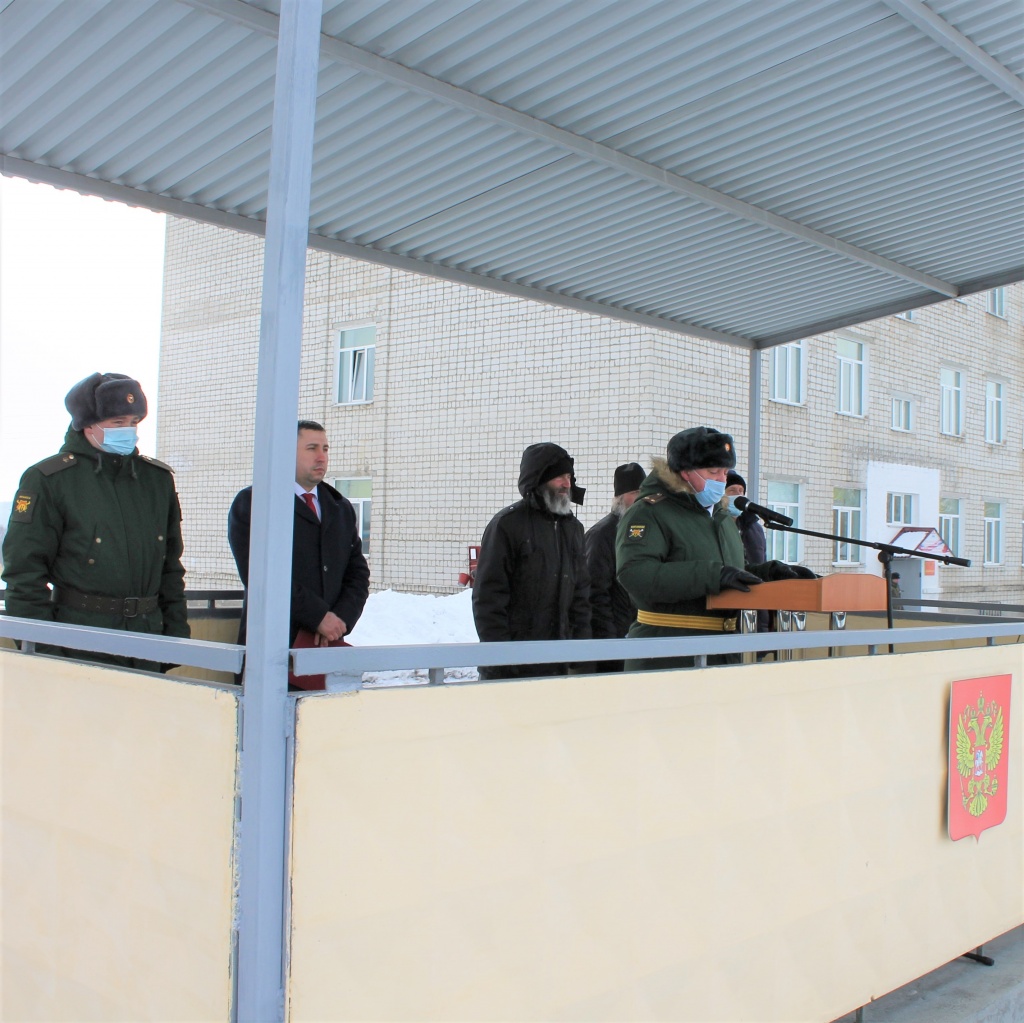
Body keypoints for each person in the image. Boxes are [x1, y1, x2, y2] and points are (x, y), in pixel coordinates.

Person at [1, 372, 189, 669]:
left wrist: (177, 635)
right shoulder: (50, 479)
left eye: (134, 422)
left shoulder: (156, 480)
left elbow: (170, 566)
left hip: (148, 639)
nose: (128, 431)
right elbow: (24, 573)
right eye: (117, 423)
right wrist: (44, 648)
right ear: (87, 425)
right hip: (78, 640)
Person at [616, 426, 814, 671]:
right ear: (685, 472)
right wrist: (712, 575)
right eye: (713, 471)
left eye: (726, 472)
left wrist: (769, 575)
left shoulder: (720, 515)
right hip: (669, 653)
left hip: (722, 652)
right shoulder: (650, 512)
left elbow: (732, 572)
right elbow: (636, 574)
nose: (722, 479)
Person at [227, 420, 370, 660]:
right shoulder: (256, 503)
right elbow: (259, 573)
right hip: (271, 652)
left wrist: (339, 621)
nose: (321, 457)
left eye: (325, 449)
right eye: (311, 448)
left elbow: (358, 574)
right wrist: (318, 617)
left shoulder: (339, 507)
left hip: (326, 650)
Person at [472, 442, 591, 680]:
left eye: (569, 476)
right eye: (559, 477)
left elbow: (581, 596)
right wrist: (501, 660)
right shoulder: (508, 525)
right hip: (513, 668)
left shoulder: (573, 529)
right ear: (539, 479)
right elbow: (488, 599)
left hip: (559, 663)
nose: (567, 484)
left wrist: (580, 650)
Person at [584, 461, 646, 671]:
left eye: (643, 492)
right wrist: (610, 641)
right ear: (619, 498)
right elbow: (595, 591)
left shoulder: (646, 532)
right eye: (634, 492)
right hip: (615, 640)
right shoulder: (602, 535)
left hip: (641, 634)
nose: (640, 499)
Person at [724, 469, 770, 635]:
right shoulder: (715, 524)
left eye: (741, 491)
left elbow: (760, 562)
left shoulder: (753, 527)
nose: (738, 495)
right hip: (727, 606)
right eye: (732, 491)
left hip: (755, 603)